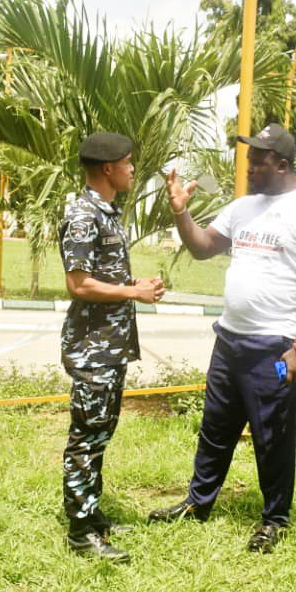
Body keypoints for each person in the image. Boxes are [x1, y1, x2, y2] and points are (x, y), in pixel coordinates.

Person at [148, 123, 296, 553]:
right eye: (249, 159)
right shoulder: (242, 208)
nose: (249, 167)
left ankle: (274, 519)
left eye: (258, 161)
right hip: (229, 340)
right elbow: (203, 247)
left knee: (273, 437)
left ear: (282, 165)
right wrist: (181, 212)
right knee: (215, 428)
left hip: (274, 346)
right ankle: (198, 503)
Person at [59, 132, 165, 562]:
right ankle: (80, 532)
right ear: (108, 168)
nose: (132, 169)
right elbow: (79, 283)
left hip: (110, 345)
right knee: (86, 437)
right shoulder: (83, 215)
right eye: (127, 162)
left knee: (100, 432)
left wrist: (135, 284)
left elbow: (102, 276)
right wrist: (133, 293)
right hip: (93, 348)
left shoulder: (106, 212)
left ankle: (93, 514)